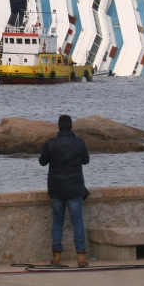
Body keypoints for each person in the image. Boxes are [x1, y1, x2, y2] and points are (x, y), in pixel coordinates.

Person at [39, 114, 90, 267]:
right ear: (71, 126)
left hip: (56, 188)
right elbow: (86, 161)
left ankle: (56, 256)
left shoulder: (51, 144)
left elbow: (42, 162)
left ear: (59, 127)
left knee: (58, 221)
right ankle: (81, 256)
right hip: (75, 188)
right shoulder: (79, 143)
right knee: (77, 221)